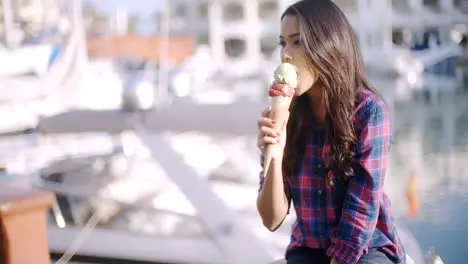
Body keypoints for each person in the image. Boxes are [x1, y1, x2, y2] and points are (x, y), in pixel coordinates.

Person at [256, 1, 406, 264]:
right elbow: (271, 219)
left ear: (327, 45)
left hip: (365, 248)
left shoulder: (369, 112)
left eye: (297, 42)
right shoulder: (284, 115)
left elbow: (362, 210)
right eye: (283, 43)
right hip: (309, 249)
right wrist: (275, 155)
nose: (285, 55)